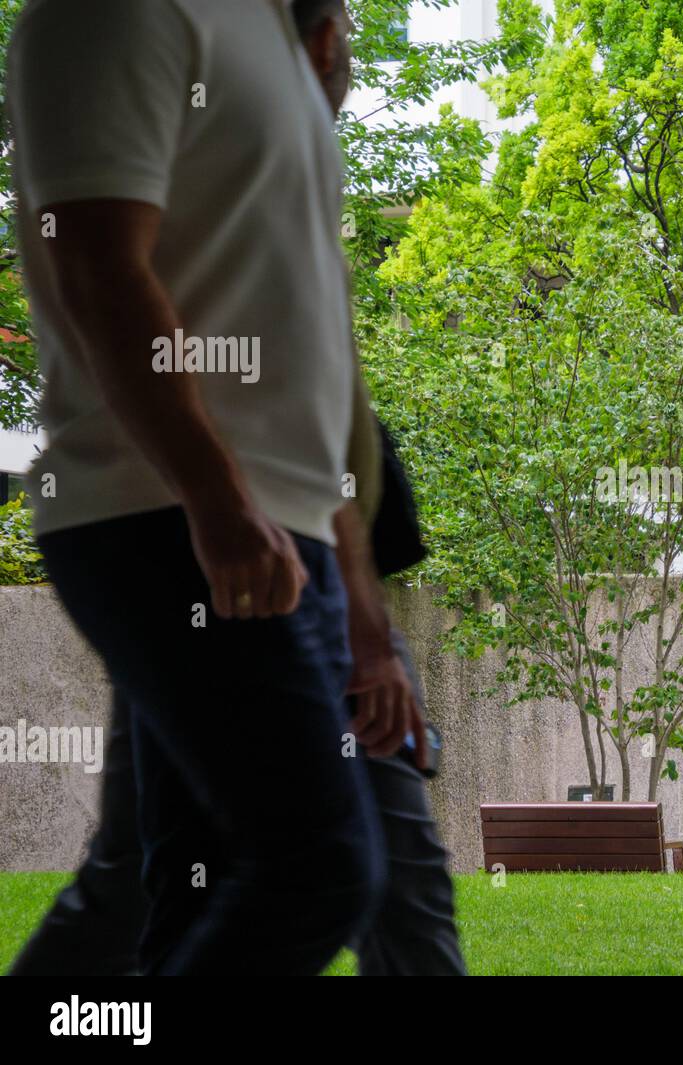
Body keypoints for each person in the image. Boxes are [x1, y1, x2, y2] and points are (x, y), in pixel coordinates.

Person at [5, 0, 438, 974]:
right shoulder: (115, 13)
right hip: (168, 516)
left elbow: (312, 374)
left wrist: (367, 620)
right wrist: (217, 498)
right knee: (318, 867)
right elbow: (98, 265)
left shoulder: (275, 34)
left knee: (163, 882)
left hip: (286, 534)